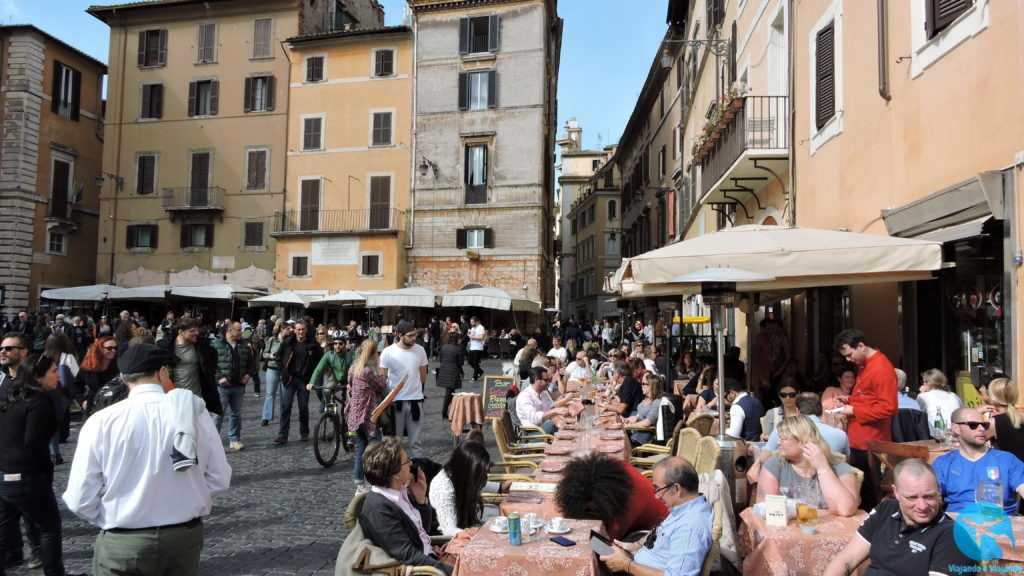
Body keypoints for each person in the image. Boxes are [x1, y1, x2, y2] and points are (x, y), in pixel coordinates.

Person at [63, 344, 231, 576]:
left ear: (123, 377)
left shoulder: (101, 421)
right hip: (181, 536)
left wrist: (115, 516)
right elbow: (219, 478)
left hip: (124, 538)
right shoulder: (196, 414)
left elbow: (80, 497)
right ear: (162, 372)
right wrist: (184, 498)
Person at [0, 353, 81, 576]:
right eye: (53, 371)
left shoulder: (11, 396)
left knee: (5, 530)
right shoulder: (38, 401)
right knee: (49, 527)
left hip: (5, 474)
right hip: (27, 475)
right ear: (38, 376)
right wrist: (44, 471)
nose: (58, 376)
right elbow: (34, 441)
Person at [822, 459, 975, 576]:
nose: (922, 506)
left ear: (939, 490)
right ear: (896, 493)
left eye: (929, 497)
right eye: (912, 497)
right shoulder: (886, 510)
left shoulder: (953, 537)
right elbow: (846, 559)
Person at [597, 457, 711, 576]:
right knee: (592, 545)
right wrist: (636, 549)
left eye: (658, 489)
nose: (656, 497)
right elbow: (663, 549)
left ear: (677, 488)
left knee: (588, 557)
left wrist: (627, 564)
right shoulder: (684, 508)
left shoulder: (690, 527)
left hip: (633, 569)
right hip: (639, 560)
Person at [358, 437, 451, 575]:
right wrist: (451, 571)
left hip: (431, 555)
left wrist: (420, 500)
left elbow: (421, 532)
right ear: (395, 473)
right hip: (424, 569)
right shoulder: (379, 507)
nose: (411, 463)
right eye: (407, 460)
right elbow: (407, 555)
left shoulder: (399, 491)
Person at [834, 328, 898, 511]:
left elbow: (889, 407)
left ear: (861, 346)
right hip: (859, 438)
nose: (848, 359)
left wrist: (854, 409)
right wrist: (850, 400)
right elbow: (869, 397)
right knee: (860, 487)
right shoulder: (865, 362)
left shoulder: (881, 367)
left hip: (870, 440)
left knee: (869, 491)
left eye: (849, 354)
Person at [756, 415, 860, 516]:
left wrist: (823, 468)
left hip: (830, 530)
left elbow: (846, 509)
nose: (778, 442)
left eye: (784, 439)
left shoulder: (837, 466)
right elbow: (765, 511)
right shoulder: (775, 464)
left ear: (803, 441)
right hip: (789, 530)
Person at [556, 453, 669, 541]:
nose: (587, 513)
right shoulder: (612, 472)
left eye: (591, 511)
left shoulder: (627, 505)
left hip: (661, 531)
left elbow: (605, 546)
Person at [932, 407, 1024, 514]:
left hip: (999, 524)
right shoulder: (944, 463)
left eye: (984, 425)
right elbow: (931, 498)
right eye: (973, 425)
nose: (981, 429)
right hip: (956, 524)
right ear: (956, 428)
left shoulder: (1006, 459)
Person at [428, 440, 500, 537]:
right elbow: (449, 530)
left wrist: (499, 487)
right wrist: (475, 534)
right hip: (454, 535)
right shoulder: (443, 488)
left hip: (467, 522)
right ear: (469, 470)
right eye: (482, 472)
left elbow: (476, 482)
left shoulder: (458, 473)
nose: (486, 474)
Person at [379, 320, 428, 458]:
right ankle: (396, 474)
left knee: (416, 442)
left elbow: (423, 376)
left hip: (415, 401)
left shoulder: (420, 350)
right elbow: (382, 378)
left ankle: (416, 476)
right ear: (400, 335)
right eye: (411, 335)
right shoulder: (388, 352)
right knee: (395, 443)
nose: (414, 338)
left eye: (415, 335)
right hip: (395, 402)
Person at [157, 318, 222, 416]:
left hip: (196, 398)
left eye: (197, 329)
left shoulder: (201, 345)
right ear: (181, 332)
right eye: (192, 331)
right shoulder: (165, 347)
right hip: (173, 398)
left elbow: (212, 361)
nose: (197, 333)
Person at [347, 340, 387, 493]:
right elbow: (381, 385)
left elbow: (350, 384)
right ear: (373, 354)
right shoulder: (366, 371)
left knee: (360, 450)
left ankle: (360, 485)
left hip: (354, 414)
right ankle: (377, 482)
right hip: (367, 414)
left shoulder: (353, 368)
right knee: (376, 448)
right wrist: (380, 368)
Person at [273, 320, 323, 444]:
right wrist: (283, 371)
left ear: (306, 330)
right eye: (298, 329)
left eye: (302, 329)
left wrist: (312, 376)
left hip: (304, 380)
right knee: (285, 407)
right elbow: (279, 358)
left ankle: (304, 433)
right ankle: (282, 435)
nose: (300, 332)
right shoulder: (287, 343)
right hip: (289, 379)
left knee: (303, 408)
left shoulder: (313, 345)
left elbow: (320, 361)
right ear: (294, 330)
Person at [211, 322, 255, 451]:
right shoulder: (216, 344)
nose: (241, 332)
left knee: (236, 413)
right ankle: (213, 442)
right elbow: (210, 364)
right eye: (238, 330)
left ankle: (234, 439)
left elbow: (251, 362)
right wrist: (219, 377)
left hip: (238, 385)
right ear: (229, 331)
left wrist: (248, 374)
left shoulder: (244, 345)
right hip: (221, 386)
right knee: (218, 414)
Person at [764, 392, 850, 457]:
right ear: (821, 411)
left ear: (797, 411)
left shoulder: (781, 430)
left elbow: (765, 457)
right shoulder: (841, 435)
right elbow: (846, 461)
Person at [516, 366, 575, 434]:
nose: (549, 383)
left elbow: (548, 412)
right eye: (546, 380)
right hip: (533, 432)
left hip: (543, 427)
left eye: (549, 380)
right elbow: (534, 418)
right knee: (555, 425)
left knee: (564, 422)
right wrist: (555, 411)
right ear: (537, 380)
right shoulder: (524, 396)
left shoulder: (542, 393)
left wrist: (561, 417)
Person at [307, 332, 352, 418]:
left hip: (349, 381)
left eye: (340, 343)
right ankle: (330, 410)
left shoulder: (351, 354)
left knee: (351, 398)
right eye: (335, 343)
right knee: (326, 390)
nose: (337, 346)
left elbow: (358, 370)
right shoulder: (329, 355)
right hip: (335, 379)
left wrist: (352, 383)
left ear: (345, 344)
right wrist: (311, 382)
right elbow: (318, 369)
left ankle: (351, 422)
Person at [74, 336, 120, 416]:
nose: (113, 350)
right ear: (100, 349)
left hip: (114, 407)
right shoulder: (89, 365)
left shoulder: (119, 364)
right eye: (109, 348)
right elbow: (75, 384)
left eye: (115, 348)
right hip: (93, 408)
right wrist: (81, 401)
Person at [915, 368, 964, 438]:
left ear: (929, 383)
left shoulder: (923, 396)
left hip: (935, 436)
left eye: (923, 382)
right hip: (955, 434)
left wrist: (921, 393)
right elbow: (962, 412)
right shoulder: (954, 396)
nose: (922, 384)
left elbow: (916, 415)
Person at [985, 377, 1024, 460]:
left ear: (993, 397)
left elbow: (971, 441)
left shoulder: (994, 422)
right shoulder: (1020, 414)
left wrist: (976, 412)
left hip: (1010, 470)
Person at [260, 322, 289, 427]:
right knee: (270, 394)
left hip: (285, 370)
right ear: (282, 329)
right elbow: (264, 354)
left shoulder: (289, 341)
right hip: (272, 368)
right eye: (288, 329)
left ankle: (283, 417)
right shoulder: (272, 340)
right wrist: (271, 355)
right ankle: (266, 417)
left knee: (284, 395)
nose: (290, 331)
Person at [626, 372, 662, 446]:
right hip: (637, 431)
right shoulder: (646, 399)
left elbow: (647, 423)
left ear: (651, 386)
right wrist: (626, 420)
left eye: (643, 384)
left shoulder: (657, 402)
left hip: (644, 436)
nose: (641, 386)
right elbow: (638, 416)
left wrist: (628, 426)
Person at [435, 332, 464, 421]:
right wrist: (461, 372)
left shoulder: (444, 347)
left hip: (444, 371)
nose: (461, 340)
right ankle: (444, 413)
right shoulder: (458, 349)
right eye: (459, 339)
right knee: (449, 393)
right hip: (453, 372)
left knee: (451, 392)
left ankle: (453, 411)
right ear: (456, 339)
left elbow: (440, 359)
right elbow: (460, 363)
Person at [465, 317, 486, 382]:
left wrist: (472, 337)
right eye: (471, 322)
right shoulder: (472, 328)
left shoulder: (481, 327)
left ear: (476, 322)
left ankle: (475, 377)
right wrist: (469, 334)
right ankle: (480, 371)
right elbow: (471, 336)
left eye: (472, 322)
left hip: (478, 348)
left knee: (475, 362)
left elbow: (482, 337)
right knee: (470, 361)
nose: (471, 323)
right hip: (472, 347)